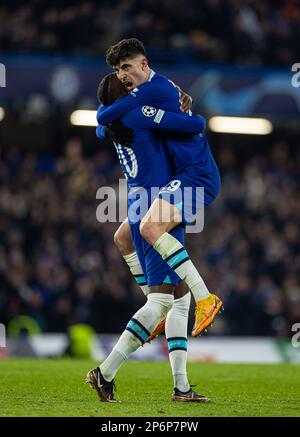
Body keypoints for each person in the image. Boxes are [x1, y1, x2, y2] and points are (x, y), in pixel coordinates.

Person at [86, 73, 210, 403]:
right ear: (123, 94)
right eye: (128, 86)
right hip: (157, 204)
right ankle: (105, 373)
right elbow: (194, 125)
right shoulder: (138, 112)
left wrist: (103, 123)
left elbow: (101, 123)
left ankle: (181, 388)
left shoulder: (116, 121)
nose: (135, 88)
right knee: (161, 302)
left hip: (144, 201)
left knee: (178, 299)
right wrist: (189, 109)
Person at [98, 38, 223, 337]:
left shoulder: (156, 89)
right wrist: (109, 126)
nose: (121, 75)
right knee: (124, 237)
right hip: (176, 178)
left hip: (195, 174)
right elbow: (105, 120)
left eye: (126, 66)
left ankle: (205, 299)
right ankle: (155, 307)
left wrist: (108, 123)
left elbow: (105, 115)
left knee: (149, 229)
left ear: (144, 64)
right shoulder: (147, 94)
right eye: (117, 70)